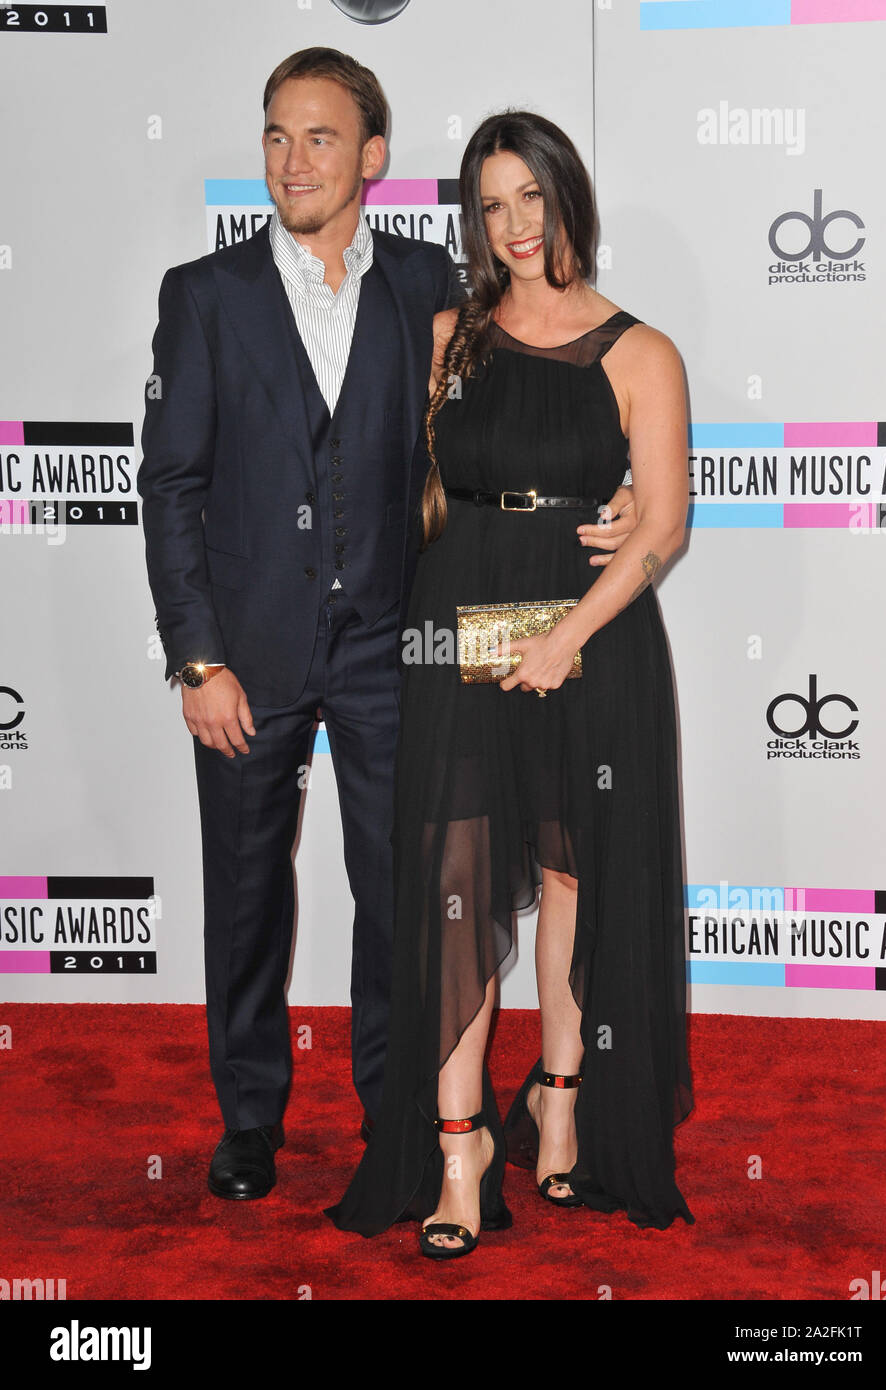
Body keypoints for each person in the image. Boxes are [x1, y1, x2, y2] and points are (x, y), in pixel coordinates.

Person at [138, 56, 637, 1202]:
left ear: (372, 156)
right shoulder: (202, 294)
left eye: (319, 138)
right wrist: (196, 655)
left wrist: (609, 491)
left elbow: (531, 383)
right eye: (274, 137)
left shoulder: (428, 285)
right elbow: (171, 484)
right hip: (246, 653)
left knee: (406, 894)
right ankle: (250, 1122)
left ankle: (396, 1112)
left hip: (393, 647)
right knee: (248, 891)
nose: (291, 160)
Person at [327, 110, 694, 1258]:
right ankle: (458, 1147)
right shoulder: (451, 337)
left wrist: (568, 630)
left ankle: (563, 1103)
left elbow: (664, 524)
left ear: (566, 194)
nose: (514, 225)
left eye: (530, 196)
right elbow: (386, 476)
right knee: (455, 879)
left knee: (574, 872)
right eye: (491, 206)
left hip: (594, 638)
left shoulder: (642, 351)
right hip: (461, 625)